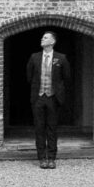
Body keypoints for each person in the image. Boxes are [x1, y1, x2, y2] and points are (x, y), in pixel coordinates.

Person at [26, 30, 71, 169]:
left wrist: (58, 93)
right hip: (38, 97)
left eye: (45, 38)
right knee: (39, 128)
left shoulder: (61, 58)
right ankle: (41, 158)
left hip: (53, 98)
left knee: (52, 128)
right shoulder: (34, 57)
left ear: (52, 41)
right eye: (42, 37)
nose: (42, 39)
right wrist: (37, 91)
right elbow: (29, 76)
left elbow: (67, 78)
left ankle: (51, 158)